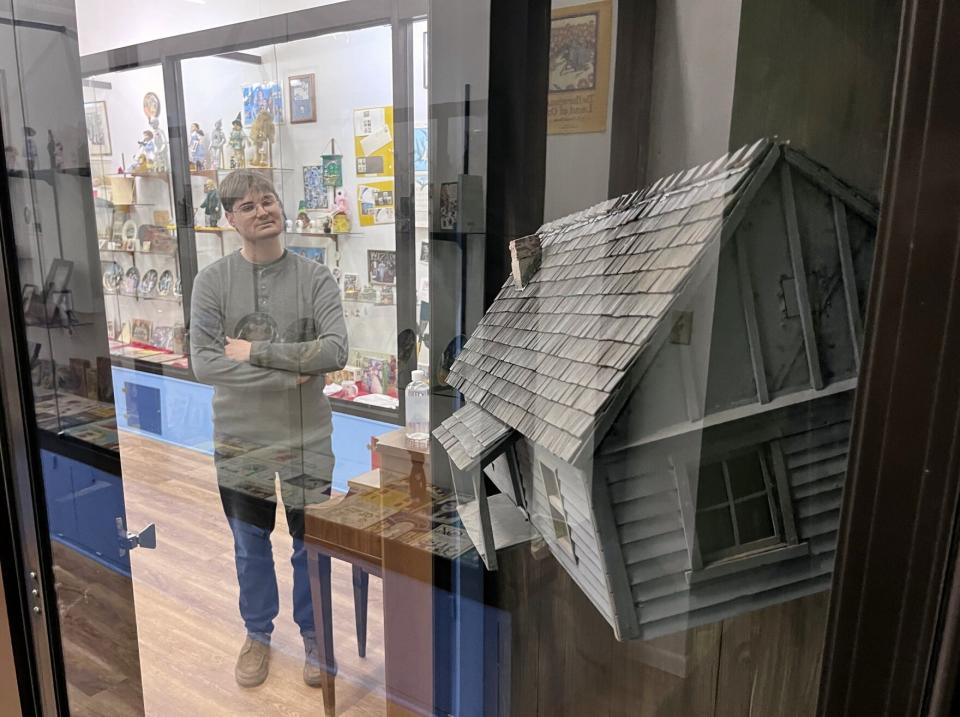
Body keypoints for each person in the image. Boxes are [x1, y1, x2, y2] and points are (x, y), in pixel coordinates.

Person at [190, 170, 348, 689]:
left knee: (312, 545)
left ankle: (314, 637)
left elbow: (335, 351)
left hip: (308, 441)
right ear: (230, 219)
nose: (263, 211)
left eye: (269, 201)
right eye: (249, 206)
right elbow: (206, 363)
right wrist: (289, 377)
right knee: (249, 543)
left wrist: (256, 351)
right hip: (239, 441)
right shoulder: (211, 282)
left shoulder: (315, 278)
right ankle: (258, 634)